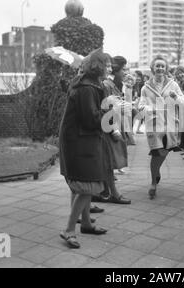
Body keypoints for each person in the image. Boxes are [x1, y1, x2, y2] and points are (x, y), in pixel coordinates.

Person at [59, 49, 109, 249]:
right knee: (88, 186)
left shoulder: (86, 83)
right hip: (80, 141)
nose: (109, 69)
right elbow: (91, 120)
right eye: (106, 65)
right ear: (98, 67)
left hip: (78, 140)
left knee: (81, 184)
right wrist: (111, 110)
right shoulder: (88, 88)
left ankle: (86, 223)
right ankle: (69, 229)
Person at [139, 55, 184, 199]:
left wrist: (176, 97)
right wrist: (149, 109)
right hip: (154, 125)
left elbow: (183, 102)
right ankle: (153, 182)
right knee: (156, 153)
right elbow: (140, 105)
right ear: (152, 68)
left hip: (170, 125)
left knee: (164, 152)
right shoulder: (145, 88)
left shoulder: (173, 85)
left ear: (166, 69)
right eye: (157, 66)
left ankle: (156, 172)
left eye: (162, 66)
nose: (160, 68)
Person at [93, 55, 131, 205]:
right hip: (108, 127)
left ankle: (103, 192)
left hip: (112, 123)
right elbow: (106, 107)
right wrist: (114, 129)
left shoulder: (114, 84)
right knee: (108, 162)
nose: (126, 72)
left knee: (107, 163)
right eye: (124, 69)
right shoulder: (106, 85)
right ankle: (112, 193)